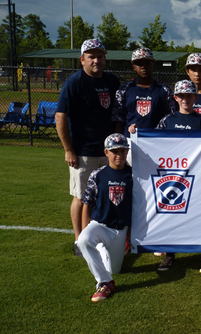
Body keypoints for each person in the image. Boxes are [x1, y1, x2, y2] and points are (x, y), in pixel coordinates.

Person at [56, 38, 124, 256]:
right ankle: (79, 239)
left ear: (105, 58)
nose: (96, 60)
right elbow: (60, 116)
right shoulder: (74, 82)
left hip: (109, 151)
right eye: (91, 56)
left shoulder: (113, 81)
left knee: (108, 196)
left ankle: (106, 238)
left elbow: (118, 115)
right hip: (83, 152)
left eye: (100, 56)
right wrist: (68, 149)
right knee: (81, 197)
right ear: (82, 59)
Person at [155, 80, 201, 273]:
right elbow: (154, 143)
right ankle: (169, 255)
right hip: (173, 176)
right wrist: (136, 133)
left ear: (195, 98)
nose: (185, 99)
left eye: (189, 95)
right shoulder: (167, 121)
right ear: (176, 98)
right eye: (181, 96)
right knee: (171, 214)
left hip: (197, 175)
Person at [75, 133, 133, 302]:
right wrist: (84, 230)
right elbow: (88, 204)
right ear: (106, 152)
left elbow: (136, 208)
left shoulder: (134, 176)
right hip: (100, 225)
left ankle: (102, 251)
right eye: (115, 151)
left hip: (121, 230)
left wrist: (130, 236)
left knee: (116, 269)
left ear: (127, 152)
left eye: (123, 151)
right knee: (84, 240)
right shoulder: (97, 175)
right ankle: (104, 283)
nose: (119, 155)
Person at [115, 47, 174, 138]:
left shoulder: (164, 90)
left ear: (153, 65)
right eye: (139, 64)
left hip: (155, 140)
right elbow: (118, 119)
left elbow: (170, 119)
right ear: (133, 67)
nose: (143, 67)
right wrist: (120, 141)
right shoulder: (124, 89)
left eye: (147, 63)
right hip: (130, 141)